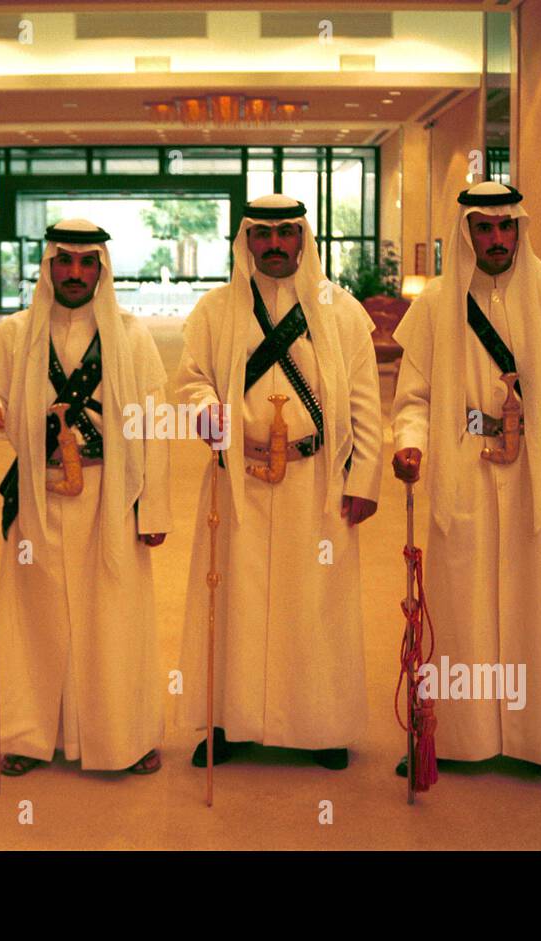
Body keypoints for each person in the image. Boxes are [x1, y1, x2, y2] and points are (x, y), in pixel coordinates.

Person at [390, 181, 541, 786]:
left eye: (505, 228)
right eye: (483, 228)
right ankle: (448, 737)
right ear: (466, 233)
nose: (496, 239)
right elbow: (414, 398)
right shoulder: (434, 307)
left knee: (537, 609)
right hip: (464, 470)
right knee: (458, 608)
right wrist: (409, 443)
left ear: (520, 230)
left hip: (535, 472)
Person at [173, 194, 383, 771]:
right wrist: (205, 406)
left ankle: (321, 725)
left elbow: (365, 401)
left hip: (316, 481)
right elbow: (190, 379)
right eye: (263, 235)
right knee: (232, 599)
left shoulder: (340, 312)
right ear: (246, 241)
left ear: (302, 239)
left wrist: (364, 475)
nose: (274, 244)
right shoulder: (215, 311)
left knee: (315, 603)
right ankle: (229, 721)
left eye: (286, 233)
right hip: (236, 478)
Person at [0, 219, 171, 775]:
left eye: (86, 263)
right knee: (33, 616)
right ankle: (29, 738)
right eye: (64, 261)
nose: (74, 273)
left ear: (101, 268)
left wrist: (153, 508)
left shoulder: (131, 336)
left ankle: (123, 738)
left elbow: (153, 425)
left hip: (111, 492)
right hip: (37, 489)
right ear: (49, 266)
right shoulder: (16, 332)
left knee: (114, 616)